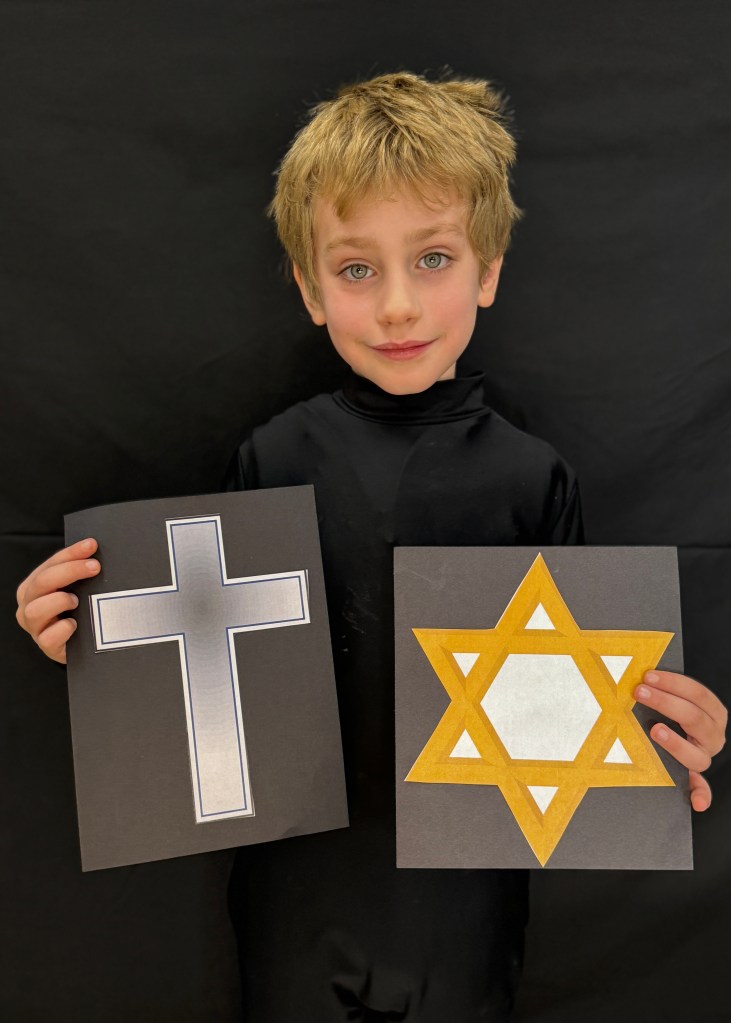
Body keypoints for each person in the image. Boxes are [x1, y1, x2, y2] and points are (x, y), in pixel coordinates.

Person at [15, 71, 727, 1022]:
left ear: (487, 270)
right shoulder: (271, 458)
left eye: (431, 258)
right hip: (292, 891)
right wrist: (84, 632)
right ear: (310, 288)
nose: (397, 305)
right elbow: (197, 671)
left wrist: (662, 742)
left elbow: (568, 710)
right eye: (357, 270)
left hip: (466, 901)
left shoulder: (532, 479)